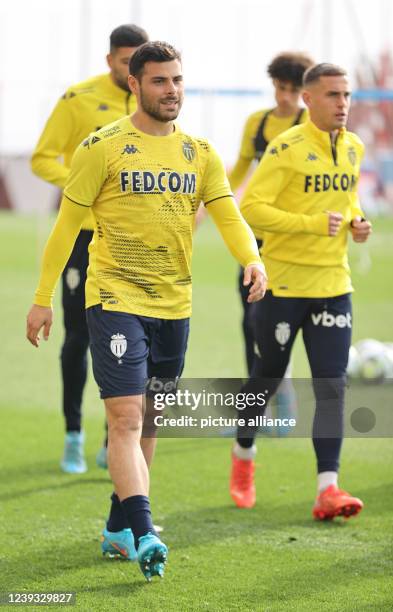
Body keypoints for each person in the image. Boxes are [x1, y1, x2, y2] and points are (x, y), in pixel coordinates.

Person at [26, 41, 267, 580]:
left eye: (177, 80)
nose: (171, 90)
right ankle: (142, 531)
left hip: (174, 302)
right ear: (134, 84)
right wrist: (43, 298)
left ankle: (118, 526)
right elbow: (66, 229)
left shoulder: (200, 152)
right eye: (159, 81)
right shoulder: (102, 147)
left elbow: (227, 215)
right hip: (113, 297)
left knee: (150, 421)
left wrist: (252, 259)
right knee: (126, 416)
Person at [229, 63, 372, 520]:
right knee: (267, 376)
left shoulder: (353, 147)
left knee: (331, 387)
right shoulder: (285, 148)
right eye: (333, 95)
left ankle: (327, 488)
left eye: (346, 95)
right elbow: (251, 208)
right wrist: (311, 224)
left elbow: (346, 199)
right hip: (284, 286)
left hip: (333, 284)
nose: (343, 104)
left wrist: (356, 221)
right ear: (309, 99)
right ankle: (244, 453)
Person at [31, 24, 149, 474]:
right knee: (79, 336)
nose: (135, 70)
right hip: (82, 236)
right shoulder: (77, 99)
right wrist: (85, 188)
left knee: (131, 338)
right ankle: (74, 435)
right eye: (126, 61)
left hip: (132, 241)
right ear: (110, 61)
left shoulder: (152, 102)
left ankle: (114, 437)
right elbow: (43, 157)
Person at [229, 54, 314, 436]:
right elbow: (238, 171)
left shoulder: (309, 125)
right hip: (255, 235)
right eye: (281, 88)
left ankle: (284, 397)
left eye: (294, 91)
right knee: (251, 322)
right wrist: (203, 205)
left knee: (279, 320)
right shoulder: (257, 123)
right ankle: (255, 408)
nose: (285, 97)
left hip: (292, 239)